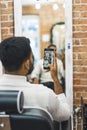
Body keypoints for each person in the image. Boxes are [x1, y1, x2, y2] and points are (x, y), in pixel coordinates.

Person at [0, 36, 70, 122]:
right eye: (31, 57)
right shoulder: (44, 94)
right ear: (27, 64)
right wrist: (55, 78)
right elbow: (65, 114)